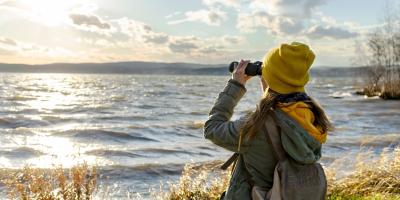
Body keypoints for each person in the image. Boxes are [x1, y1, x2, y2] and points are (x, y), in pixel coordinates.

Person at [204, 42, 333, 200]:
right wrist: (269, 87)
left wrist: (236, 85)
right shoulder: (312, 117)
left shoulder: (256, 125)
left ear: (270, 79)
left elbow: (212, 128)